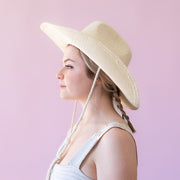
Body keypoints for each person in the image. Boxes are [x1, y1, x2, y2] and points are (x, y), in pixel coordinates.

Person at [40, 21, 140, 180]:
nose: (59, 74)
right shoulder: (77, 129)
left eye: (69, 66)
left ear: (98, 76)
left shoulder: (113, 139)